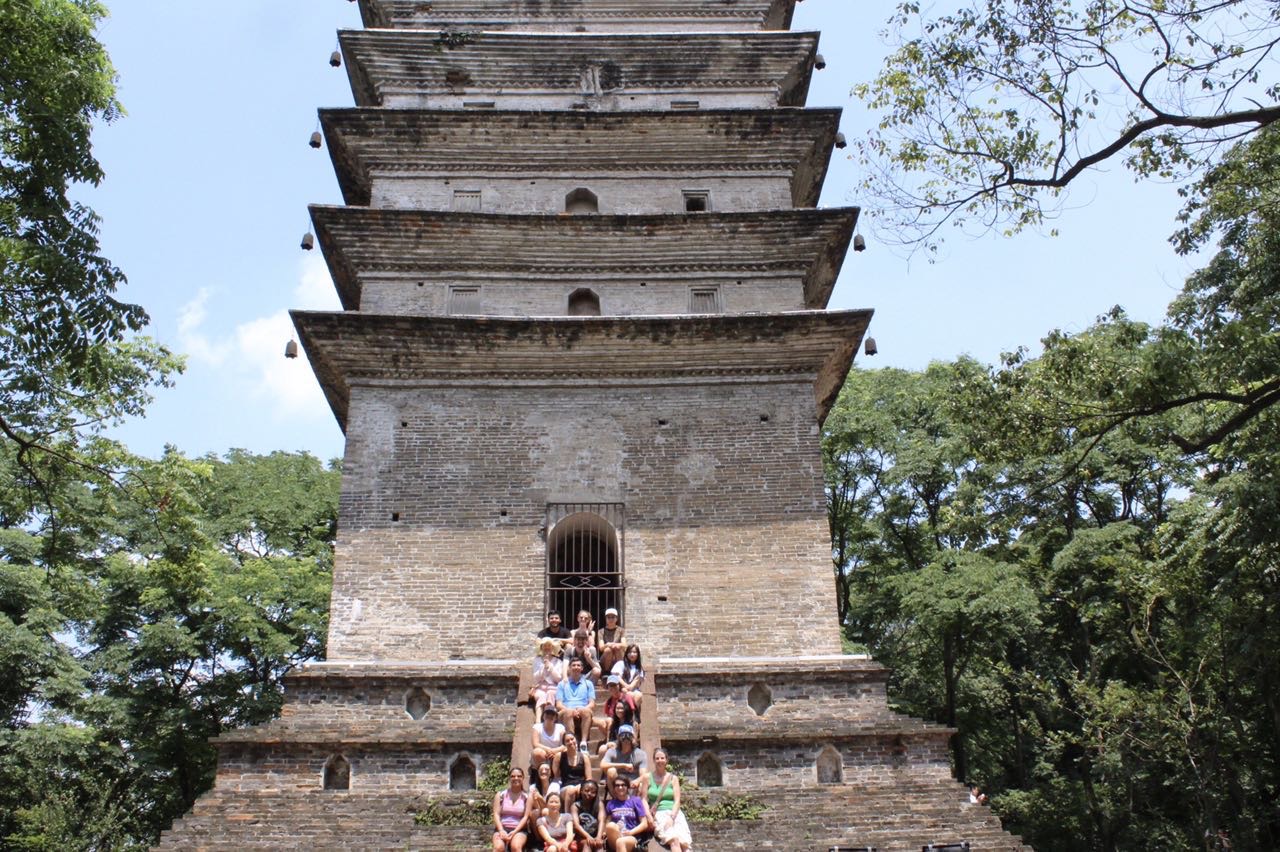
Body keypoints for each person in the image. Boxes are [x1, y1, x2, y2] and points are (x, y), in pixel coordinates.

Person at [639, 748, 692, 852]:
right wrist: (649, 816)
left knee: (684, 844)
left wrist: (672, 817)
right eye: (657, 758)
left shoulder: (673, 778)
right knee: (674, 840)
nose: (660, 760)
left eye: (662, 758)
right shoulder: (647, 777)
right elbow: (644, 799)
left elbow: (677, 800)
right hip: (659, 813)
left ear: (666, 760)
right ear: (654, 760)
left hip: (674, 814)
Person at [603, 775, 652, 852]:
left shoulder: (636, 801)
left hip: (632, 836)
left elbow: (644, 824)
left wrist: (630, 832)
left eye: (623, 785)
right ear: (614, 788)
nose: (620, 787)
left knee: (621, 842)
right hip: (615, 837)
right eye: (617, 785)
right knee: (611, 826)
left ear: (627, 787)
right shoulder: (611, 804)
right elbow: (607, 822)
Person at [555, 658, 597, 747]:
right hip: (566, 710)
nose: (576, 667)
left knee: (586, 711)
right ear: (569, 668)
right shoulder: (562, 684)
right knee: (568, 712)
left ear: (582, 668)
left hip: (582, 709)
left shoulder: (588, 683)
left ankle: (583, 742)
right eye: (573, 665)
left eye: (578, 665)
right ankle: (571, 740)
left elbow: (592, 704)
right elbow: (559, 705)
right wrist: (571, 710)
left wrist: (583, 709)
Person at [594, 681, 637, 757]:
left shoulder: (633, 723)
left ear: (626, 709)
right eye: (617, 708)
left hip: (627, 747)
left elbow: (634, 742)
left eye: (621, 708)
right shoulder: (614, 723)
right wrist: (609, 744)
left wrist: (617, 744)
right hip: (614, 746)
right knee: (602, 749)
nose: (619, 710)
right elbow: (610, 739)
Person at [492, 766, 530, 851]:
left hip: (519, 829)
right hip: (502, 828)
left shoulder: (527, 796)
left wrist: (515, 831)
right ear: (509, 778)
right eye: (513, 776)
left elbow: (526, 816)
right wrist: (501, 830)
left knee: (516, 846)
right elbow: (496, 814)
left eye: (519, 776)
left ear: (523, 778)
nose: (516, 778)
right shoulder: (500, 795)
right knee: (498, 847)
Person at [558, 731, 591, 812]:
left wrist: (581, 786)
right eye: (567, 741)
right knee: (570, 789)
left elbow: (589, 778)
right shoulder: (560, 757)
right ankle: (567, 816)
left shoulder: (584, 757)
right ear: (564, 744)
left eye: (572, 739)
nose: (570, 742)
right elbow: (556, 774)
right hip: (565, 788)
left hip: (581, 786)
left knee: (573, 789)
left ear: (576, 740)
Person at [531, 705, 567, 777]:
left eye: (552, 714)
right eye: (547, 714)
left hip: (556, 753)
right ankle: (541, 776)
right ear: (543, 716)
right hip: (543, 754)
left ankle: (556, 777)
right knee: (537, 752)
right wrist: (548, 750)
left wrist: (554, 751)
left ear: (556, 717)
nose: (549, 716)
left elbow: (565, 744)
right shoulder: (537, 727)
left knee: (564, 751)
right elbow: (535, 744)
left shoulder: (560, 728)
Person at [531, 637, 564, 714]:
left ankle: (549, 717)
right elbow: (536, 678)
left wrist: (551, 667)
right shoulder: (537, 660)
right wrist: (543, 668)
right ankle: (538, 720)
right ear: (541, 648)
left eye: (549, 646)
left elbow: (559, 679)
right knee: (541, 696)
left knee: (551, 694)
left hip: (553, 687)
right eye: (544, 646)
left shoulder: (558, 662)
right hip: (540, 687)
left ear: (552, 648)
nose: (547, 648)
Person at [572, 779, 606, 851]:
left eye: (593, 792)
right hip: (581, 837)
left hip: (596, 834)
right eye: (586, 790)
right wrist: (588, 836)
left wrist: (598, 837)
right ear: (581, 791)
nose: (589, 793)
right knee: (588, 844)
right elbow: (576, 825)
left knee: (599, 845)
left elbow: (602, 821)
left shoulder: (599, 804)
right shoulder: (575, 806)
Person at [611, 644, 644, 716]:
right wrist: (625, 686)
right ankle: (633, 716)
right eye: (630, 652)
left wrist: (628, 688)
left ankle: (634, 716)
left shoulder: (639, 668)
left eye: (635, 652)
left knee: (638, 695)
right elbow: (617, 677)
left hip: (633, 690)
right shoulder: (620, 664)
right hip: (621, 688)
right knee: (629, 694)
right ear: (626, 654)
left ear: (638, 654)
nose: (632, 654)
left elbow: (636, 681)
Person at [596, 608, 625, 675]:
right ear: (606, 619)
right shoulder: (601, 631)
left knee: (617, 648)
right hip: (606, 657)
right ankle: (607, 672)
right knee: (608, 650)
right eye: (608, 617)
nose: (611, 619)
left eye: (613, 617)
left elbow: (624, 645)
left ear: (616, 619)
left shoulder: (621, 630)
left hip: (618, 655)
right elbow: (601, 647)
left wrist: (615, 644)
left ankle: (620, 671)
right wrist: (608, 644)